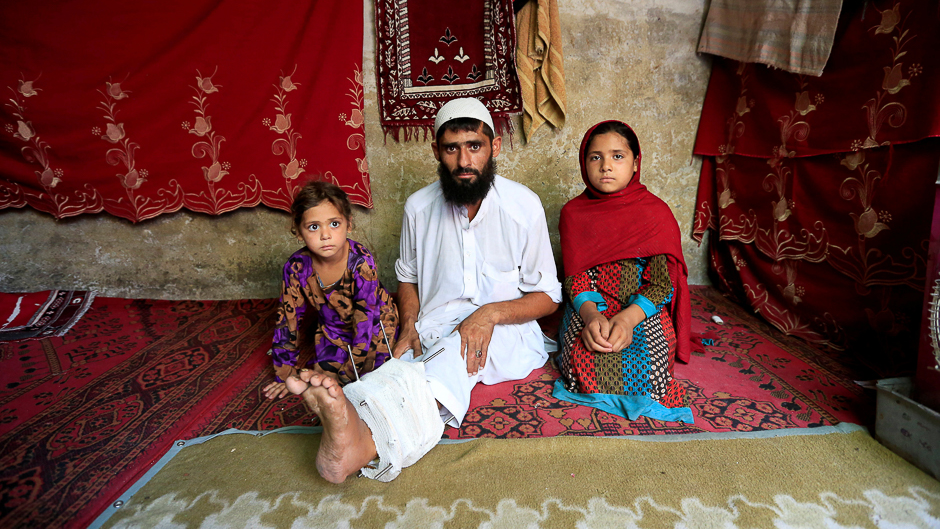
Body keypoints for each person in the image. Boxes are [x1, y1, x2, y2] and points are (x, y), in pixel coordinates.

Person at [284, 98, 562, 483]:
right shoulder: (418, 207)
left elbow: (548, 297)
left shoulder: (523, 206)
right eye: (452, 148)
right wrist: (409, 323)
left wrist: (488, 314)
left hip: (506, 330)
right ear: (436, 151)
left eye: (475, 147)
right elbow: (408, 278)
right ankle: (350, 418)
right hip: (433, 326)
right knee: (405, 365)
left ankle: (361, 443)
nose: (464, 160)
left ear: (494, 148)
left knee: (449, 358)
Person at [553, 120, 694, 424]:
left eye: (618, 156)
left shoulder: (654, 213)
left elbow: (660, 284)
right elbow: (576, 277)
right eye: (595, 157)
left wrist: (629, 319)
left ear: (635, 164)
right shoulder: (573, 214)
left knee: (650, 366)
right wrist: (592, 317)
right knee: (582, 359)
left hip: (642, 308)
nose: (606, 166)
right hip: (588, 305)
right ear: (584, 163)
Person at [262, 181, 399, 400]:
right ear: (298, 232)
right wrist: (284, 374)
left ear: (349, 224)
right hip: (333, 328)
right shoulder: (297, 266)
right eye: (314, 227)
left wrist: (345, 375)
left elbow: (366, 322)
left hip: (375, 324)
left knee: (371, 375)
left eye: (334, 224)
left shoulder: (360, 262)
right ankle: (328, 374)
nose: (325, 235)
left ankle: (346, 377)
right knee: (321, 371)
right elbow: (288, 319)